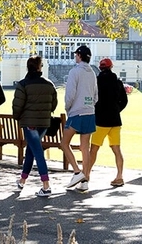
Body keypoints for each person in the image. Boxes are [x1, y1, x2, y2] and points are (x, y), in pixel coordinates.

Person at [12, 55, 58, 197]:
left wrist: (17, 116)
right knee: (31, 151)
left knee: (37, 152)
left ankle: (46, 185)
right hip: (43, 122)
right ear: (39, 67)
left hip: (29, 122)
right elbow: (54, 104)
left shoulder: (23, 84)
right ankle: (22, 180)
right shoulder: (49, 84)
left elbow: (17, 105)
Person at [87, 58, 129, 188]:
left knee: (93, 149)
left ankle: (86, 176)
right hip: (115, 120)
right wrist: (116, 110)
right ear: (111, 67)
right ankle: (119, 176)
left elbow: (93, 99)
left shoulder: (97, 81)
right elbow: (124, 100)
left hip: (101, 120)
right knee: (116, 149)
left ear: (100, 68)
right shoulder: (117, 82)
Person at [63, 45, 97, 192]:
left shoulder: (74, 72)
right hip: (90, 112)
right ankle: (85, 179)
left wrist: (68, 107)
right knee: (85, 147)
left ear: (79, 56)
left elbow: (70, 93)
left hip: (77, 112)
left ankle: (77, 172)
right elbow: (96, 95)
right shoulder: (92, 73)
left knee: (64, 143)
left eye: (76, 54)